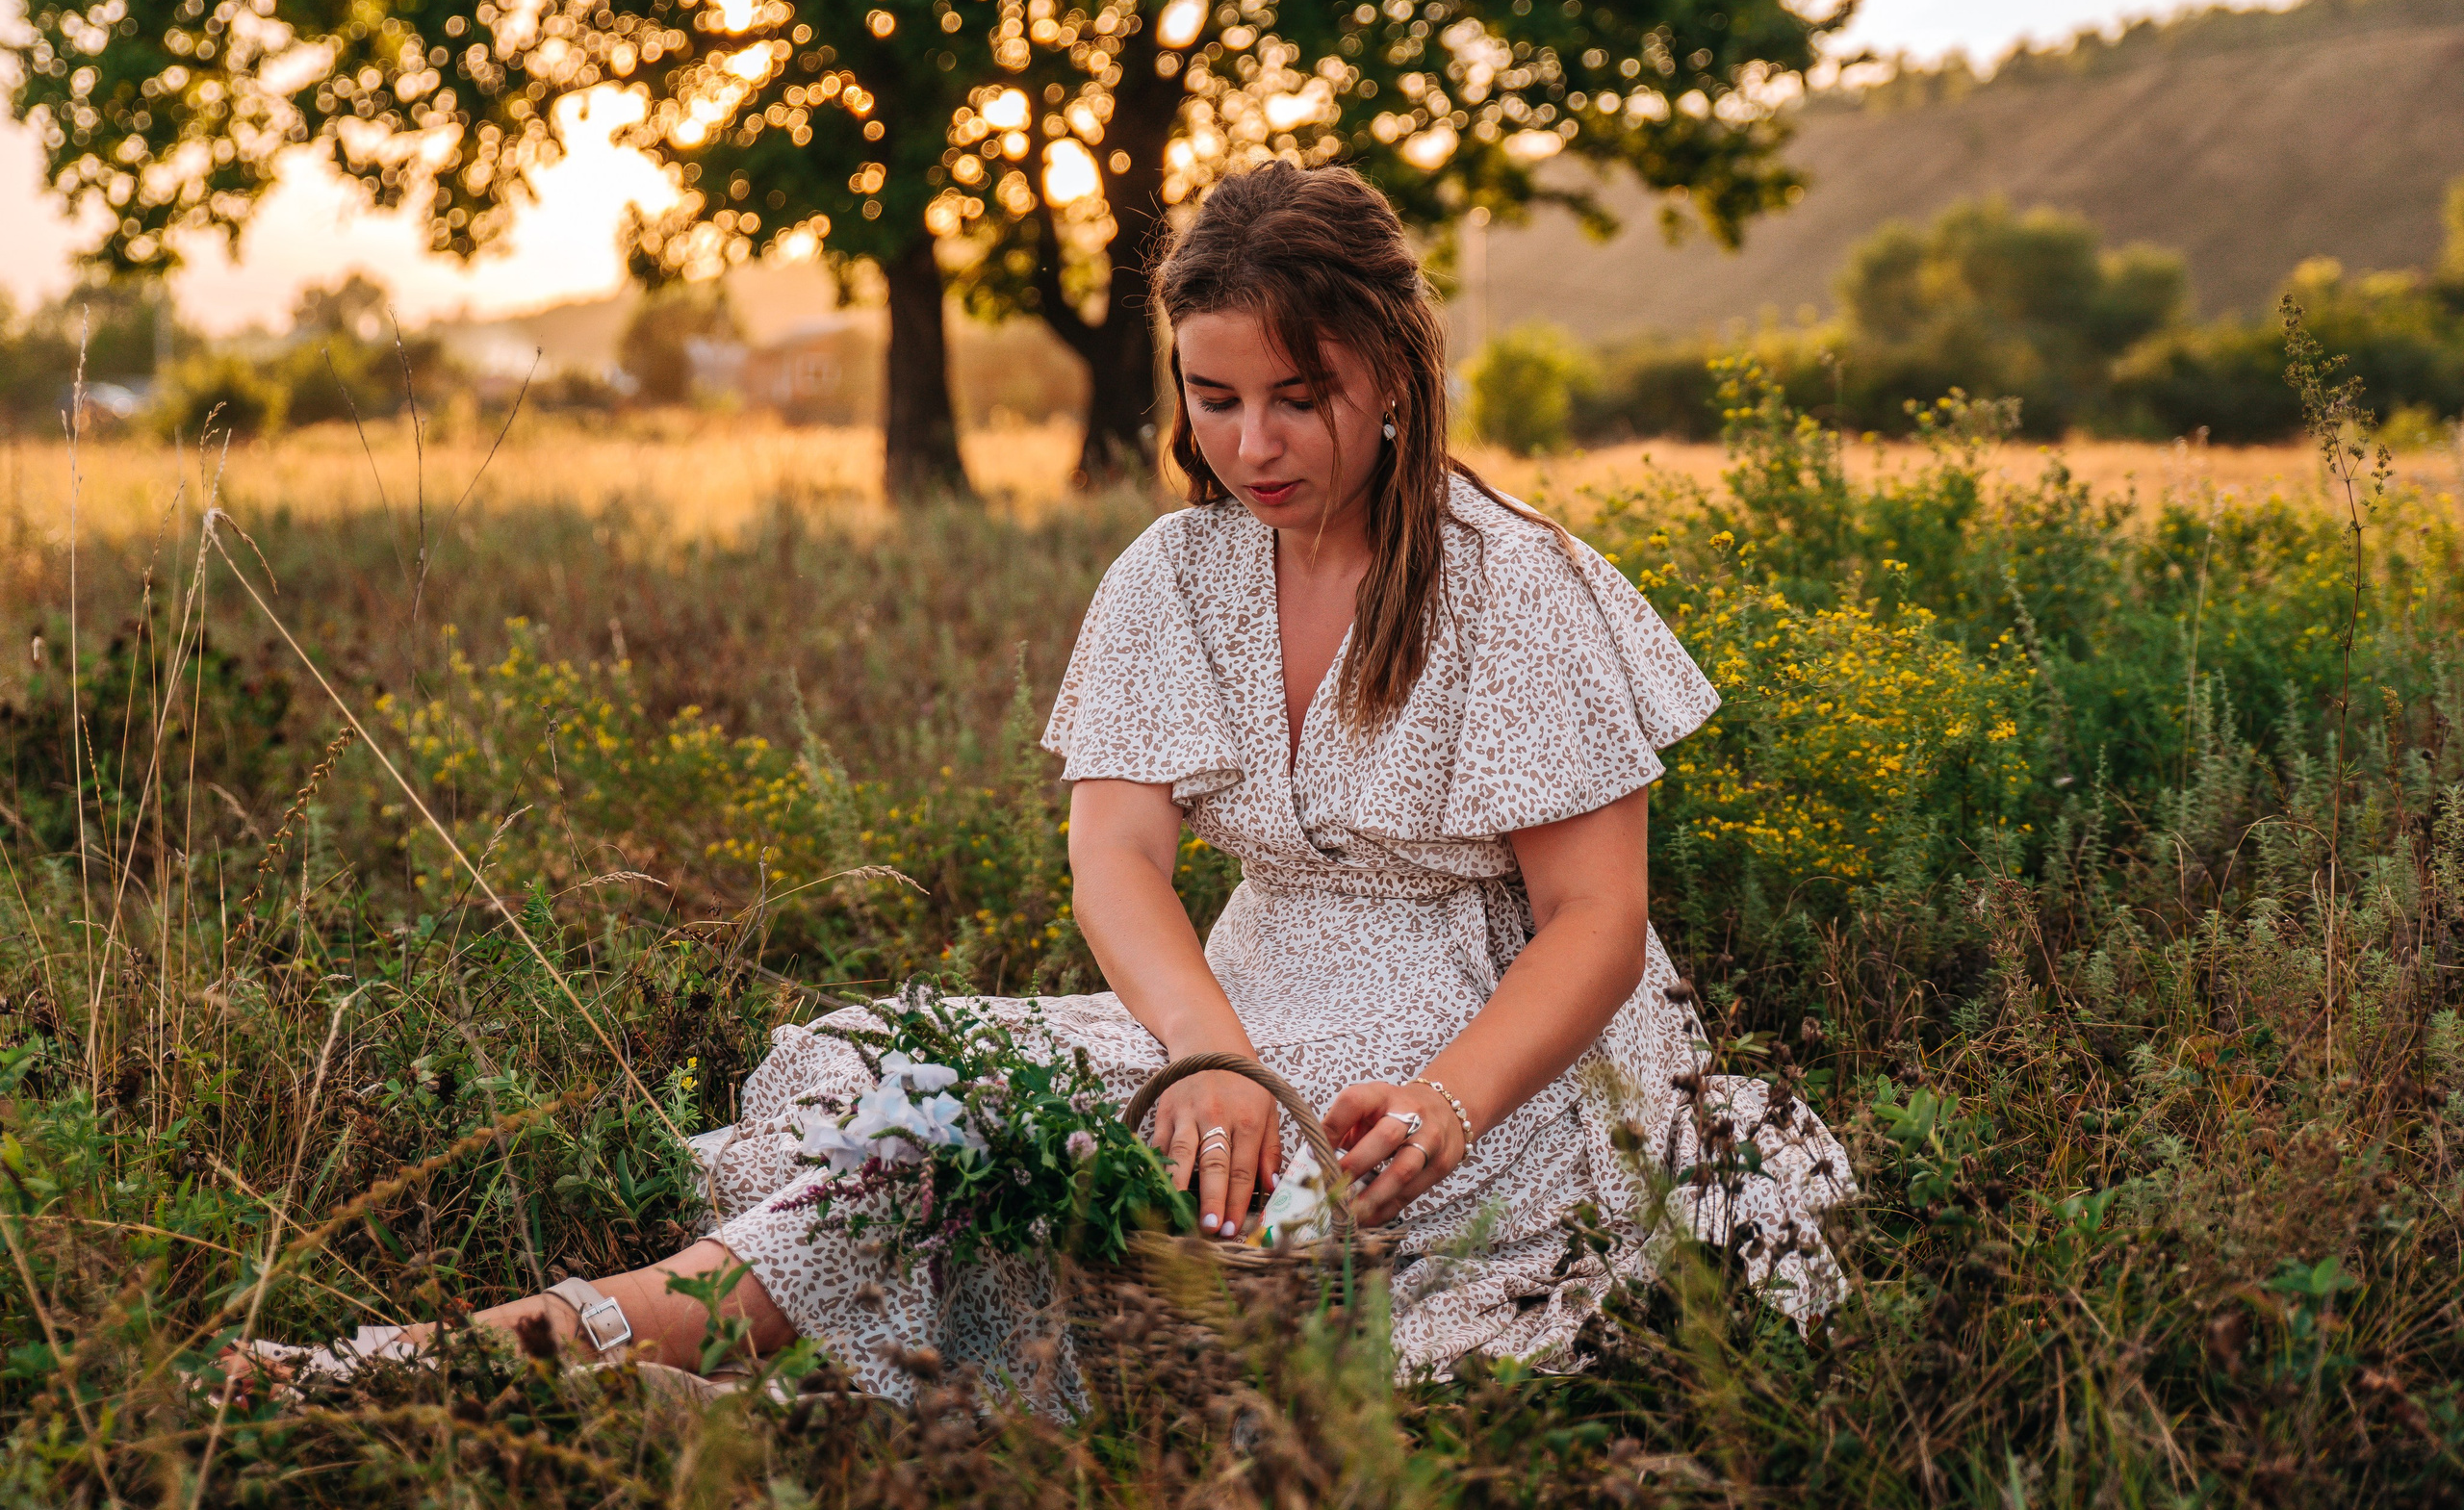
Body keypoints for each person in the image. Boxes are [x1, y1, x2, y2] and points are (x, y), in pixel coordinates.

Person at [238, 160, 1851, 1400]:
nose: (1255, 443)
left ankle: (609, 1383)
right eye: (1215, 399)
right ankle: (459, 1365)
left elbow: (1597, 921)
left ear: (1397, 374)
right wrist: (1208, 1052)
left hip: (1485, 1050)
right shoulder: (1177, 574)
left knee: (1144, 1234)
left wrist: (1442, 1101)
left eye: (1302, 396)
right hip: (1239, 1004)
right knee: (939, 1121)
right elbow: (1119, 862)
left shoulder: (1516, 587)